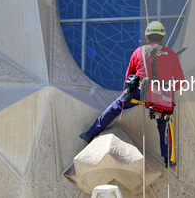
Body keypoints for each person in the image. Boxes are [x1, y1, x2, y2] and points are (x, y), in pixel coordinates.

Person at [79, 21, 185, 167]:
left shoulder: (138, 52)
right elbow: (181, 82)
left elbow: (129, 75)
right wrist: (167, 91)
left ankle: (91, 133)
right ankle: (168, 160)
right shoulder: (172, 55)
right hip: (162, 98)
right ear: (163, 38)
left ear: (147, 38)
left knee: (116, 106)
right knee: (164, 124)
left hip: (139, 94)